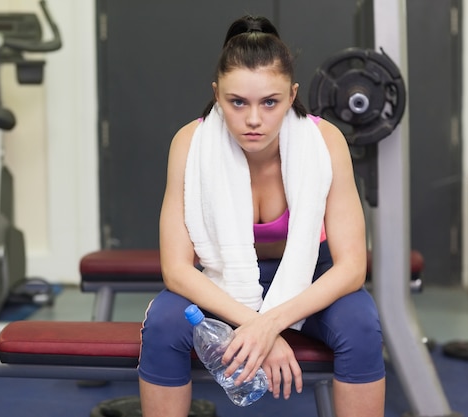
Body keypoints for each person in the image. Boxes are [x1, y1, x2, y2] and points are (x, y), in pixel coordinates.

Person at [137, 15, 386, 417]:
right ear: (218, 95)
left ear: (292, 96)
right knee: (165, 324)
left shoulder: (325, 142)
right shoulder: (190, 144)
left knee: (360, 323)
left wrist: (268, 325)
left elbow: (352, 267)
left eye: (269, 102)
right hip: (221, 278)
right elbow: (177, 270)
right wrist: (258, 326)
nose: (254, 119)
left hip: (309, 278)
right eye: (238, 102)